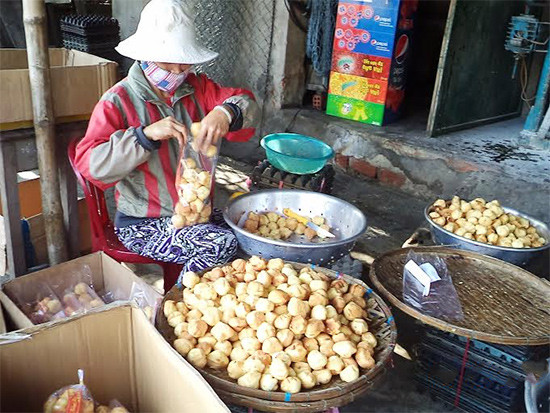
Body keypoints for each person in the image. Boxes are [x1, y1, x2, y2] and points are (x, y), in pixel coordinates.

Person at [75, 0, 259, 287]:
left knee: (252, 233)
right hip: (143, 224)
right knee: (219, 245)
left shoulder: (198, 89)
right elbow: (92, 166)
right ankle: (176, 310)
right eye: (165, 61)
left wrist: (227, 112)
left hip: (198, 215)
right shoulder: (117, 101)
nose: (176, 69)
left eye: (183, 61)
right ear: (145, 56)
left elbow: (245, 102)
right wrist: (144, 136)